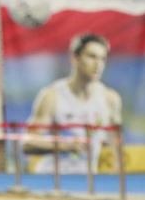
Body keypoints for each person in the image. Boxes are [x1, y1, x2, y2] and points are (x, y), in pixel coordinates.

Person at [24, 33, 123, 175]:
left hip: (89, 181)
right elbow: (28, 144)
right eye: (92, 57)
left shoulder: (111, 99)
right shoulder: (51, 96)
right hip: (52, 179)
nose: (98, 64)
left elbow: (115, 141)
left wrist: (117, 167)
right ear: (75, 58)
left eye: (103, 59)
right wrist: (67, 146)